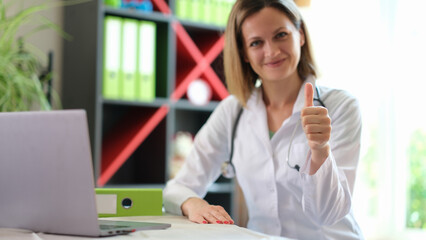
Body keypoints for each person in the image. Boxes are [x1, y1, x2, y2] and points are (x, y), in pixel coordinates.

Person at [163, 0, 364, 239]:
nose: (272, 51)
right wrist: (194, 204)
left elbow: (329, 214)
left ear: (300, 35)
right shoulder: (232, 112)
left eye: (281, 35)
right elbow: (176, 188)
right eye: (256, 42)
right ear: (244, 53)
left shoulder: (340, 106)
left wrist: (320, 152)